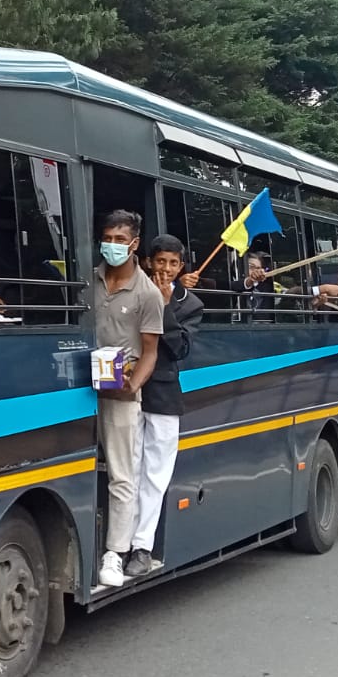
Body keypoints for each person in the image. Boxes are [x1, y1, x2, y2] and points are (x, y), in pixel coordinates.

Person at [91, 210, 164, 589]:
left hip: (120, 393)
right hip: (80, 389)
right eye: (108, 238)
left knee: (122, 474)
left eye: (120, 240)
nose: (112, 245)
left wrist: (132, 385)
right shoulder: (89, 279)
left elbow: (150, 352)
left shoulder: (147, 293)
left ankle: (115, 553)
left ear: (134, 244)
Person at [128, 235, 204, 577]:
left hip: (163, 394)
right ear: (148, 262)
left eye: (174, 264)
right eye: (161, 262)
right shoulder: (131, 290)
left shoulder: (190, 304)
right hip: (127, 391)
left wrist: (166, 306)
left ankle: (142, 547)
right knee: (127, 471)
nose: (167, 269)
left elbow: (180, 349)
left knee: (154, 476)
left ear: (181, 266)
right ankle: (120, 543)